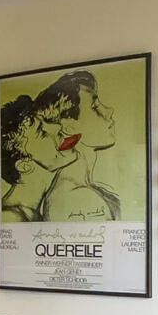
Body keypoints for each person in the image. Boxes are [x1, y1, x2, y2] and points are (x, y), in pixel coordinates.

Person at [35, 70, 122, 221]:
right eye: (94, 107)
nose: (109, 111)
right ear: (69, 127)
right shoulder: (78, 197)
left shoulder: (88, 191)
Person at [0, 86, 77, 221]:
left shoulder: (33, 214)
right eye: (42, 132)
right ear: (24, 165)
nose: (58, 127)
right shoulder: (10, 217)